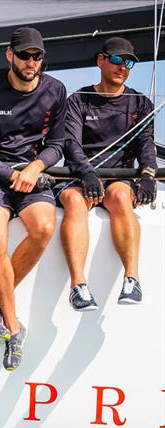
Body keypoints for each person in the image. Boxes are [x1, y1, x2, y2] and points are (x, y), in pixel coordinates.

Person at [0, 27, 67, 371]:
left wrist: (36, 167)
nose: (31, 62)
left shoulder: (55, 90)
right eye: (24, 55)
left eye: (37, 56)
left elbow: (58, 144)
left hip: (31, 173)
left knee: (43, 228)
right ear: (10, 55)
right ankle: (13, 329)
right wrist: (11, 175)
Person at [59, 37, 157, 310]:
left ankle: (132, 279)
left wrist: (148, 174)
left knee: (120, 196)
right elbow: (71, 144)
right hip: (81, 177)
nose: (122, 67)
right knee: (75, 201)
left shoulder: (140, 103)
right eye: (116, 60)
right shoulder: (78, 100)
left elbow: (146, 143)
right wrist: (87, 173)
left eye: (128, 63)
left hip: (118, 178)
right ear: (100, 60)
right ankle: (78, 286)